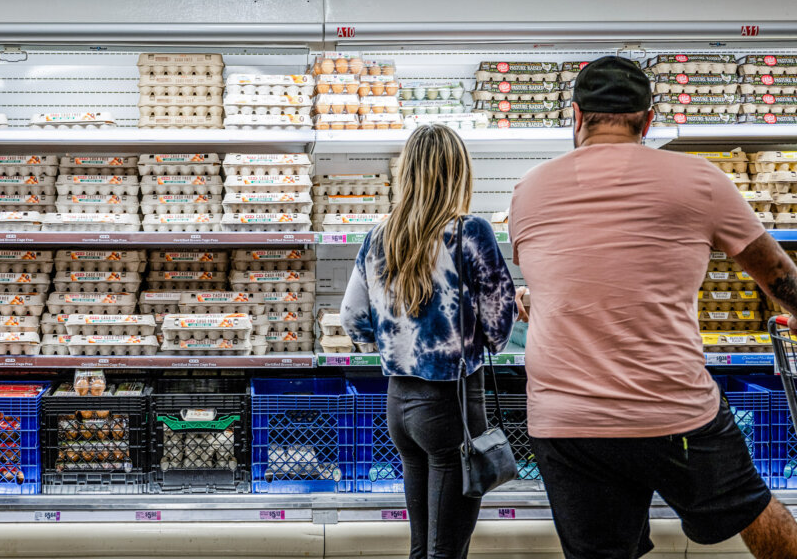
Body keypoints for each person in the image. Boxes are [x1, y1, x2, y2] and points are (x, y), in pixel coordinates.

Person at [509, 56, 797, 559]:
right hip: (670, 408)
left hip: (566, 420)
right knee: (753, 510)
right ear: (649, 119)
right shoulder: (700, 179)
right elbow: (777, 275)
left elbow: (562, 282)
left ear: (576, 116)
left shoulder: (527, 191)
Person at [341, 123, 517, 559]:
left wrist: (393, 340)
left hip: (399, 404)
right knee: (447, 550)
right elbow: (498, 326)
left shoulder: (379, 235)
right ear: (459, 171)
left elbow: (353, 318)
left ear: (408, 173)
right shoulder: (470, 232)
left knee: (423, 547)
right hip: (450, 404)